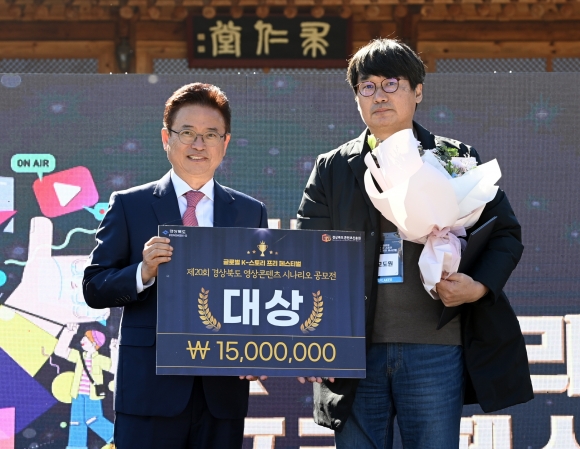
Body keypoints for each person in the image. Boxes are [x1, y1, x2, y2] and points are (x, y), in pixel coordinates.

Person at [296, 39, 533, 448]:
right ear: (356, 98)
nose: (379, 95)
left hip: (435, 350)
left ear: (418, 91)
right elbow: (307, 255)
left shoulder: (453, 157)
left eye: (392, 83)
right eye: (367, 87)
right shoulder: (333, 168)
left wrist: (478, 286)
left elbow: (505, 233)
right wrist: (315, 338)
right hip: (354, 352)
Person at [83, 83, 268, 449]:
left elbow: (261, 294)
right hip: (149, 391)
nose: (199, 144)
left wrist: (259, 346)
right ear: (166, 138)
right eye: (187, 133)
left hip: (222, 394)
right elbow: (94, 287)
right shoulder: (130, 205)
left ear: (225, 143)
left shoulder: (250, 212)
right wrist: (142, 272)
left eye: (210, 134)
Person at [54, 325, 118, 449]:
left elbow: (114, 368)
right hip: (77, 394)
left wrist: (114, 351)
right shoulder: (79, 356)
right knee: (76, 422)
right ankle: (76, 446)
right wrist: (68, 332)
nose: (82, 340)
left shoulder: (99, 359)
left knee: (93, 419)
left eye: (86, 338)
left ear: (94, 344)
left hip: (92, 396)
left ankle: (117, 436)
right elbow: (60, 351)